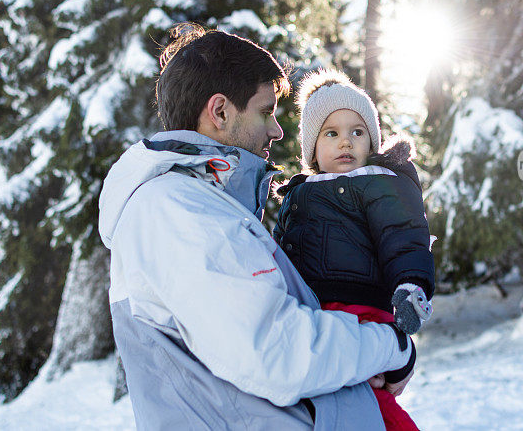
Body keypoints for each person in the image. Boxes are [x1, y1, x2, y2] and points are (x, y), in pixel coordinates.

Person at [98, 23, 416, 430]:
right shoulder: (175, 209)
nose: (277, 129)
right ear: (220, 111)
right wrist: (390, 346)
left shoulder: (200, 206)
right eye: (265, 111)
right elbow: (277, 352)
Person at [273, 70, 435, 431]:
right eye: (331, 133)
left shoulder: (379, 184)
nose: (345, 142)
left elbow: (404, 237)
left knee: (372, 405)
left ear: (372, 141)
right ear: (312, 148)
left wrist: (410, 287)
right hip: (311, 319)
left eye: (357, 132)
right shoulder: (296, 195)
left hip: (363, 315)